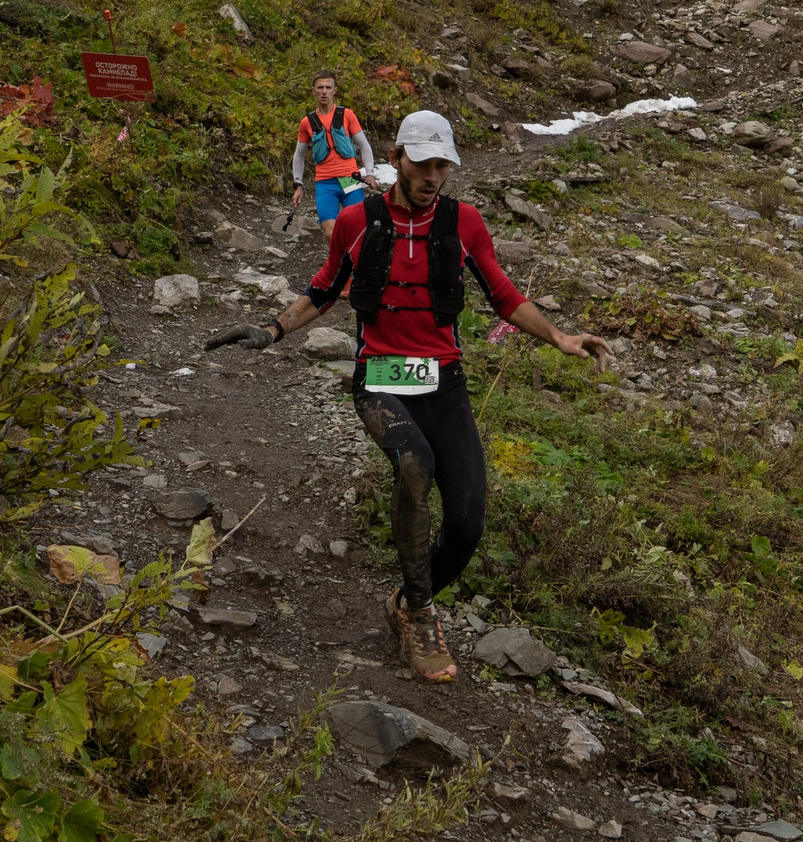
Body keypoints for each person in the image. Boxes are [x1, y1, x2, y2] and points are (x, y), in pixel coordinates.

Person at [206, 111, 612, 681]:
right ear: (396, 158)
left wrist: (561, 337)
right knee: (415, 465)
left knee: (468, 523)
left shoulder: (464, 223)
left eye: (442, 165)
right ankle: (421, 617)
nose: (433, 175)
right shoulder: (357, 220)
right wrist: (269, 331)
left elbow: (502, 295)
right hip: (379, 380)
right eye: (423, 164)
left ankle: (403, 599)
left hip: (443, 382)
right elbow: (324, 290)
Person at [290, 71, 374, 237]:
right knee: (330, 232)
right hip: (325, 183)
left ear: (334, 90)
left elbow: (364, 145)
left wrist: (370, 173)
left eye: (328, 87)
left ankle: (353, 262)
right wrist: (298, 185)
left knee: (357, 229)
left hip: (350, 179)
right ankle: (337, 262)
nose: (324, 91)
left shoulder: (347, 115)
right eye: (320, 87)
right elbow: (298, 156)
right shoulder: (307, 122)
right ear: (313, 91)